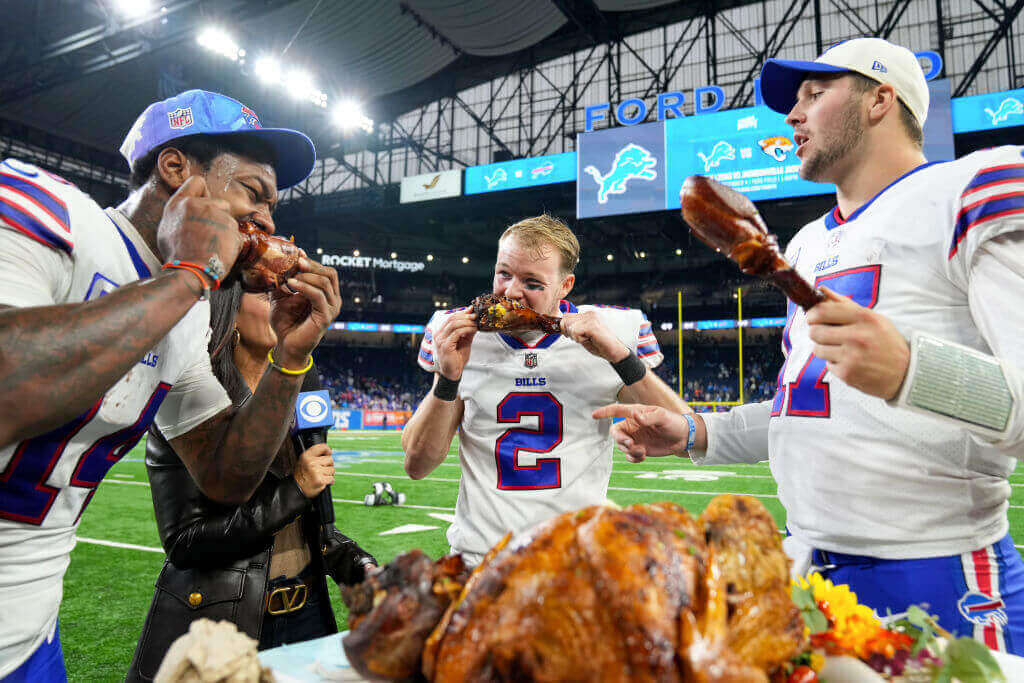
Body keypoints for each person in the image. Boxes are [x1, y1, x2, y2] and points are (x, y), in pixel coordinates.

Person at [596, 37, 1024, 653]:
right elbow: (807, 411)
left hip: (938, 572)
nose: (791, 115)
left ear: (881, 100)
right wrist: (697, 434)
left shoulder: (969, 190)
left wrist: (912, 371)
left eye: (815, 94)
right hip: (805, 572)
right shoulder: (801, 246)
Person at [0, 89, 341, 681]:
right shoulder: (40, 206)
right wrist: (188, 274)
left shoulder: (187, 321)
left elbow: (229, 477)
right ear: (176, 167)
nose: (267, 221)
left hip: (29, 631)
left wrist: (291, 358)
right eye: (253, 193)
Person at [402, 214, 685, 566]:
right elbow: (417, 464)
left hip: (574, 564)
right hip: (481, 562)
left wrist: (618, 355)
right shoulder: (454, 331)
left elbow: (685, 435)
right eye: (504, 273)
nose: (510, 292)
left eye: (532, 282)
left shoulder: (615, 328)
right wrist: (448, 379)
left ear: (565, 286)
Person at [127, 288, 375, 681]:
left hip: (308, 613)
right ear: (231, 312)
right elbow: (186, 542)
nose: (287, 304)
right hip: (224, 620)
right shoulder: (190, 401)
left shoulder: (303, 394)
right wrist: (294, 489)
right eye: (268, 295)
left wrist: (357, 564)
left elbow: (301, 528)